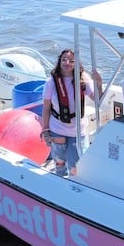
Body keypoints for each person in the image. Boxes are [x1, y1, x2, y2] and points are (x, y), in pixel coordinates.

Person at [40, 49, 102, 177]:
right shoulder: (51, 82)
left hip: (77, 131)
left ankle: (74, 187)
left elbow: (97, 99)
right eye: (64, 59)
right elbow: (46, 108)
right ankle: (58, 185)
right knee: (59, 163)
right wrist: (45, 130)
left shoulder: (83, 80)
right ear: (59, 61)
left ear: (76, 63)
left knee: (75, 167)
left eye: (71, 61)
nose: (67, 63)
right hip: (57, 129)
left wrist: (99, 83)